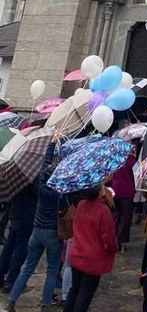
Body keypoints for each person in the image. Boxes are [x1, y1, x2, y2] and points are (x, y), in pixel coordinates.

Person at [4, 133, 63, 311]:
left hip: (36, 230)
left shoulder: (41, 186)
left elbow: (45, 164)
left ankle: (12, 301)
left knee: (28, 267)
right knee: (52, 269)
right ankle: (45, 303)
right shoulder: (59, 191)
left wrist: (52, 144)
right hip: (52, 232)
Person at [63, 184, 119, 312]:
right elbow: (109, 238)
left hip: (77, 254)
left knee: (75, 289)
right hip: (93, 259)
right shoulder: (103, 211)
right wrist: (113, 248)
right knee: (85, 293)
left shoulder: (81, 205)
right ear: (99, 192)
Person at [0, 182, 37, 293]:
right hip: (26, 216)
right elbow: (36, 193)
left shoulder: (15, 176)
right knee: (20, 251)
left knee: (9, 247)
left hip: (15, 213)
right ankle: (11, 281)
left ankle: (1, 276)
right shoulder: (31, 177)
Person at [111, 146, 137, 247]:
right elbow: (135, 175)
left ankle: (113, 237)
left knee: (116, 215)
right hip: (127, 191)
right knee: (125, 217)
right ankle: (120, 240)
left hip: (115, 190)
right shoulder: (131, 160)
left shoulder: (116, 159)